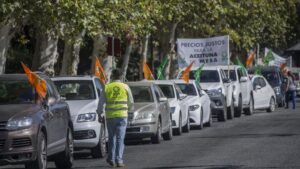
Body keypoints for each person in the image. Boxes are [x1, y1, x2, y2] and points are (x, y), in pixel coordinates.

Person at [105, 69, 133, 167]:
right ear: (121, 76)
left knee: (111, 138)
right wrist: (130, 113)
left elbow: (101, 103)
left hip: (110, 116)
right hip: (122, 116)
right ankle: (119, 160)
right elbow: (131, 102)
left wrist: (99, 113)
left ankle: (111, 158)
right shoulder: (125, 87)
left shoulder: (107, 87)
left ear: (112, 76)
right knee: (120, 139)